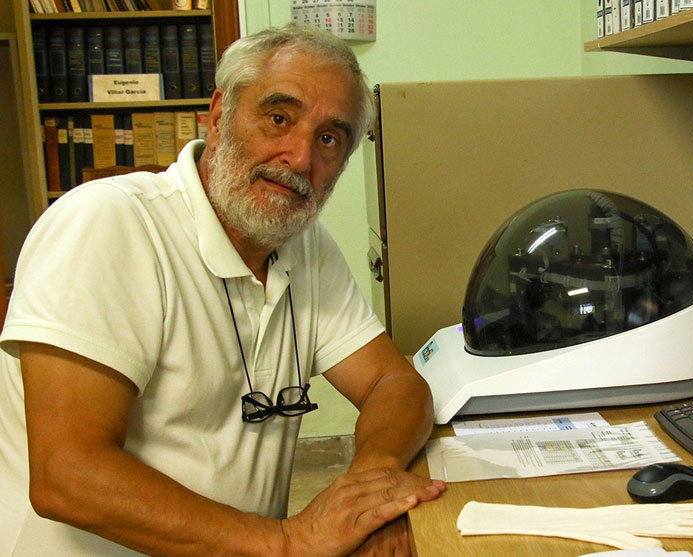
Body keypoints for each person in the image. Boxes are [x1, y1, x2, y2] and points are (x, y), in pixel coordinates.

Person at [0, 23, 444, 556]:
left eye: (329, 138)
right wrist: (288, 542)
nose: (300, 158)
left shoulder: (304, 245)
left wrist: (372, 481)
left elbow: (394, 384)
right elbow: (67, 475)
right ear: (217, 115)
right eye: (278, 118)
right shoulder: (107, 222)